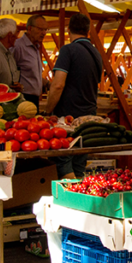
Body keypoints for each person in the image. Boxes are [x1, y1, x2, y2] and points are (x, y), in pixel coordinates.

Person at [43, 13, 103, 179]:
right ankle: (81, 195)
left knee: (62, 158)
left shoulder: (68, 50)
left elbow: (58, 84)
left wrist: (48, 111)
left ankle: (70, 194)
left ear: (69, 30)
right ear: (88, 31)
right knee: (79, 159)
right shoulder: (96, 53)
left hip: (68, 117)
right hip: (89, 116)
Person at [11, 14, 47, 107]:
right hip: (22, 99)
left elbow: (31, 74)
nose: (44, 33)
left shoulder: (36, 47)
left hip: (34, 99)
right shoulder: (18, 46)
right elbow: (9, 71)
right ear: (30, 29)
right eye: (40, 29)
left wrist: (46, 83)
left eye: (45, 29)